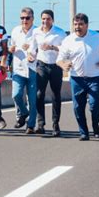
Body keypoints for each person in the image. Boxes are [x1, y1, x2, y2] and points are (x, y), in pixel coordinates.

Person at [56, 13, 99, 141]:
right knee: (77, 107)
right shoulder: (68, 40)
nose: (77, 27)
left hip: (95, 77)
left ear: (87, 25)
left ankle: (95, 125)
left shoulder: (96, 37)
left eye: (80, 24)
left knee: (94, 105)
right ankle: (83, 132)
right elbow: (59, 59)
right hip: (77, 79)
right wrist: (64, 65)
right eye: (75, 24)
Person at [28, 9, 66, 137]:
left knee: (56, 95)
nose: (45, 21)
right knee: (39, 94)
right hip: (41, 64)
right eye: (43, 19)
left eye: (48, 19)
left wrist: (52, 47)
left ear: (53, 20)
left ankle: (56, 124)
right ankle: (41, 124)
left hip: (55, 65)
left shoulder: (59, 33)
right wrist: (30, 55)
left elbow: (65, 50)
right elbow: (33, 49)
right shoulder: (36, 32)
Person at [9, 7, 37, 134]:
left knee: (32, 99)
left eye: (27, 18)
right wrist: (12, 49)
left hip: (33, 69)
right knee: (16, 95)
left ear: (32, 18)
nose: (24, 20)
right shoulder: (15, 31)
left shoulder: (37, 32)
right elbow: (11, 46)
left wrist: (33, 52)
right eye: (22, 18)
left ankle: (31, 125)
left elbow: (42, 49)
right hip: (18, 68)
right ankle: (24, 112)